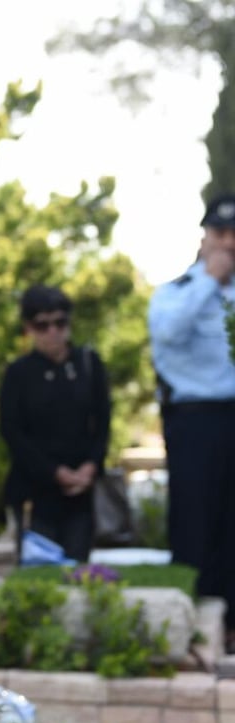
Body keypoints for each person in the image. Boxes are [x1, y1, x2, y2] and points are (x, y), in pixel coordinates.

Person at [148, 193, 235, 653]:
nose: (229, 244)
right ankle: (195, 631)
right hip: (195, 421)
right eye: (221, 235)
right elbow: (167, 333)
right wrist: (210, 281)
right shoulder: (177, 292)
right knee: (195, 523)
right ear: (205, 238)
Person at [0, 286, 111, 563]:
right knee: (39, 576)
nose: (53, 332)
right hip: (36, 493)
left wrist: (91, 466)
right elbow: (12, 431)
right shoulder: (19, 373)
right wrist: (54, 472)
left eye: (60, 322)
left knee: (78, 571)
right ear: (29, 328)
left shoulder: (89, 363)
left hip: (80, 492)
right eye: (43, 325)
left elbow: (104, 420)